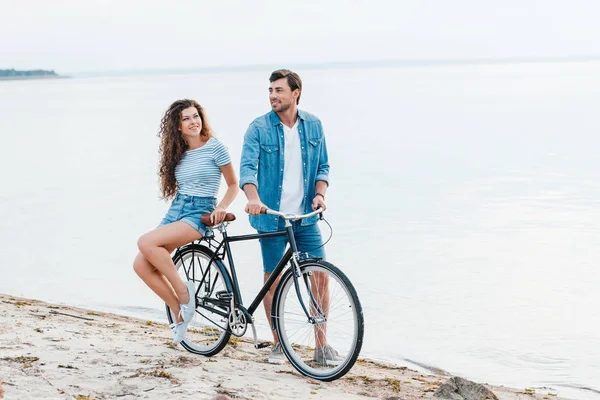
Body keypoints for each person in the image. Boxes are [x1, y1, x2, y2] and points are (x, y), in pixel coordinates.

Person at [240, 69, 340, 365]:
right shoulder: (258, 128)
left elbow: (323, 166)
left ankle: (321, 346)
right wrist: (253, 199)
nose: (273, 96)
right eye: (271, 90)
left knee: (320, 277)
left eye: (279, 90)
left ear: (295, 92)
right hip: (272, 218)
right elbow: (248, 169)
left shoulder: (314, 125)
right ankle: (278, 343)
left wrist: (320, 194)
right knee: (273, 279)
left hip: (306, 218)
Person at [134, 99, 238, 344]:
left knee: (145, 242)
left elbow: (233, 185)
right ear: (178, 127)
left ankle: (183, 291)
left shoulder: (215, 147)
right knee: (141, 265)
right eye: (187, 119)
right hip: (177, 209)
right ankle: (180, 314)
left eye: (196, 116)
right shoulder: (178, 152)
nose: (194, 122)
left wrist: (221, 207)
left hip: (199, 211)